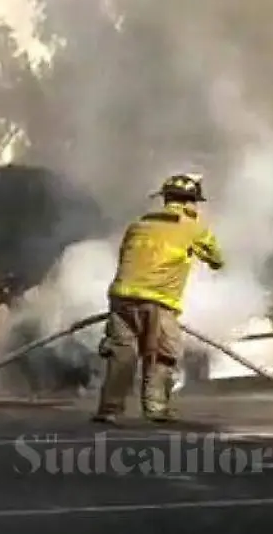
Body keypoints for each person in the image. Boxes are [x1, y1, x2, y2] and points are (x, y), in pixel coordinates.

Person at [92, 173, 225, 424]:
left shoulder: (138, 225)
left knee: (121, 355)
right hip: (160, 301)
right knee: (162, 354)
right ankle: (155, 408)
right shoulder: (193, 228)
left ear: (165, 199)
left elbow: (124, 259)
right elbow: (217, 260)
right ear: (190, 203)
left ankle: (110, 409)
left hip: (122, 297)